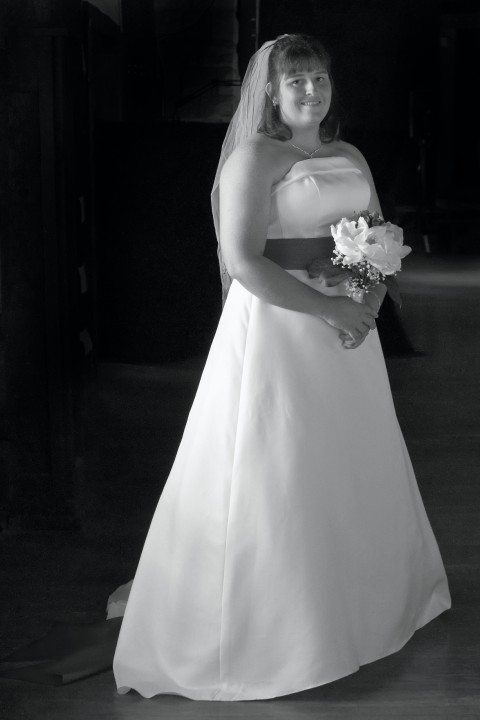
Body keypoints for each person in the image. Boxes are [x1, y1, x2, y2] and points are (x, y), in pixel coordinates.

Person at [109, 34, 451, 701]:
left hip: (350, 328)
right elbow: (243, 260)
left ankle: (367, 606)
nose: (311, 91)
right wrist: (329, 311)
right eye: (296, 81)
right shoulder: (255, 158)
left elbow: (377, 237)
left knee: (349, 455)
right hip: (281, 327)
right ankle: (290, 628)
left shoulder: (350, 155)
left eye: (320, 78)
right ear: (270, 90)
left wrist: (366, 303)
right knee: (285, 458)